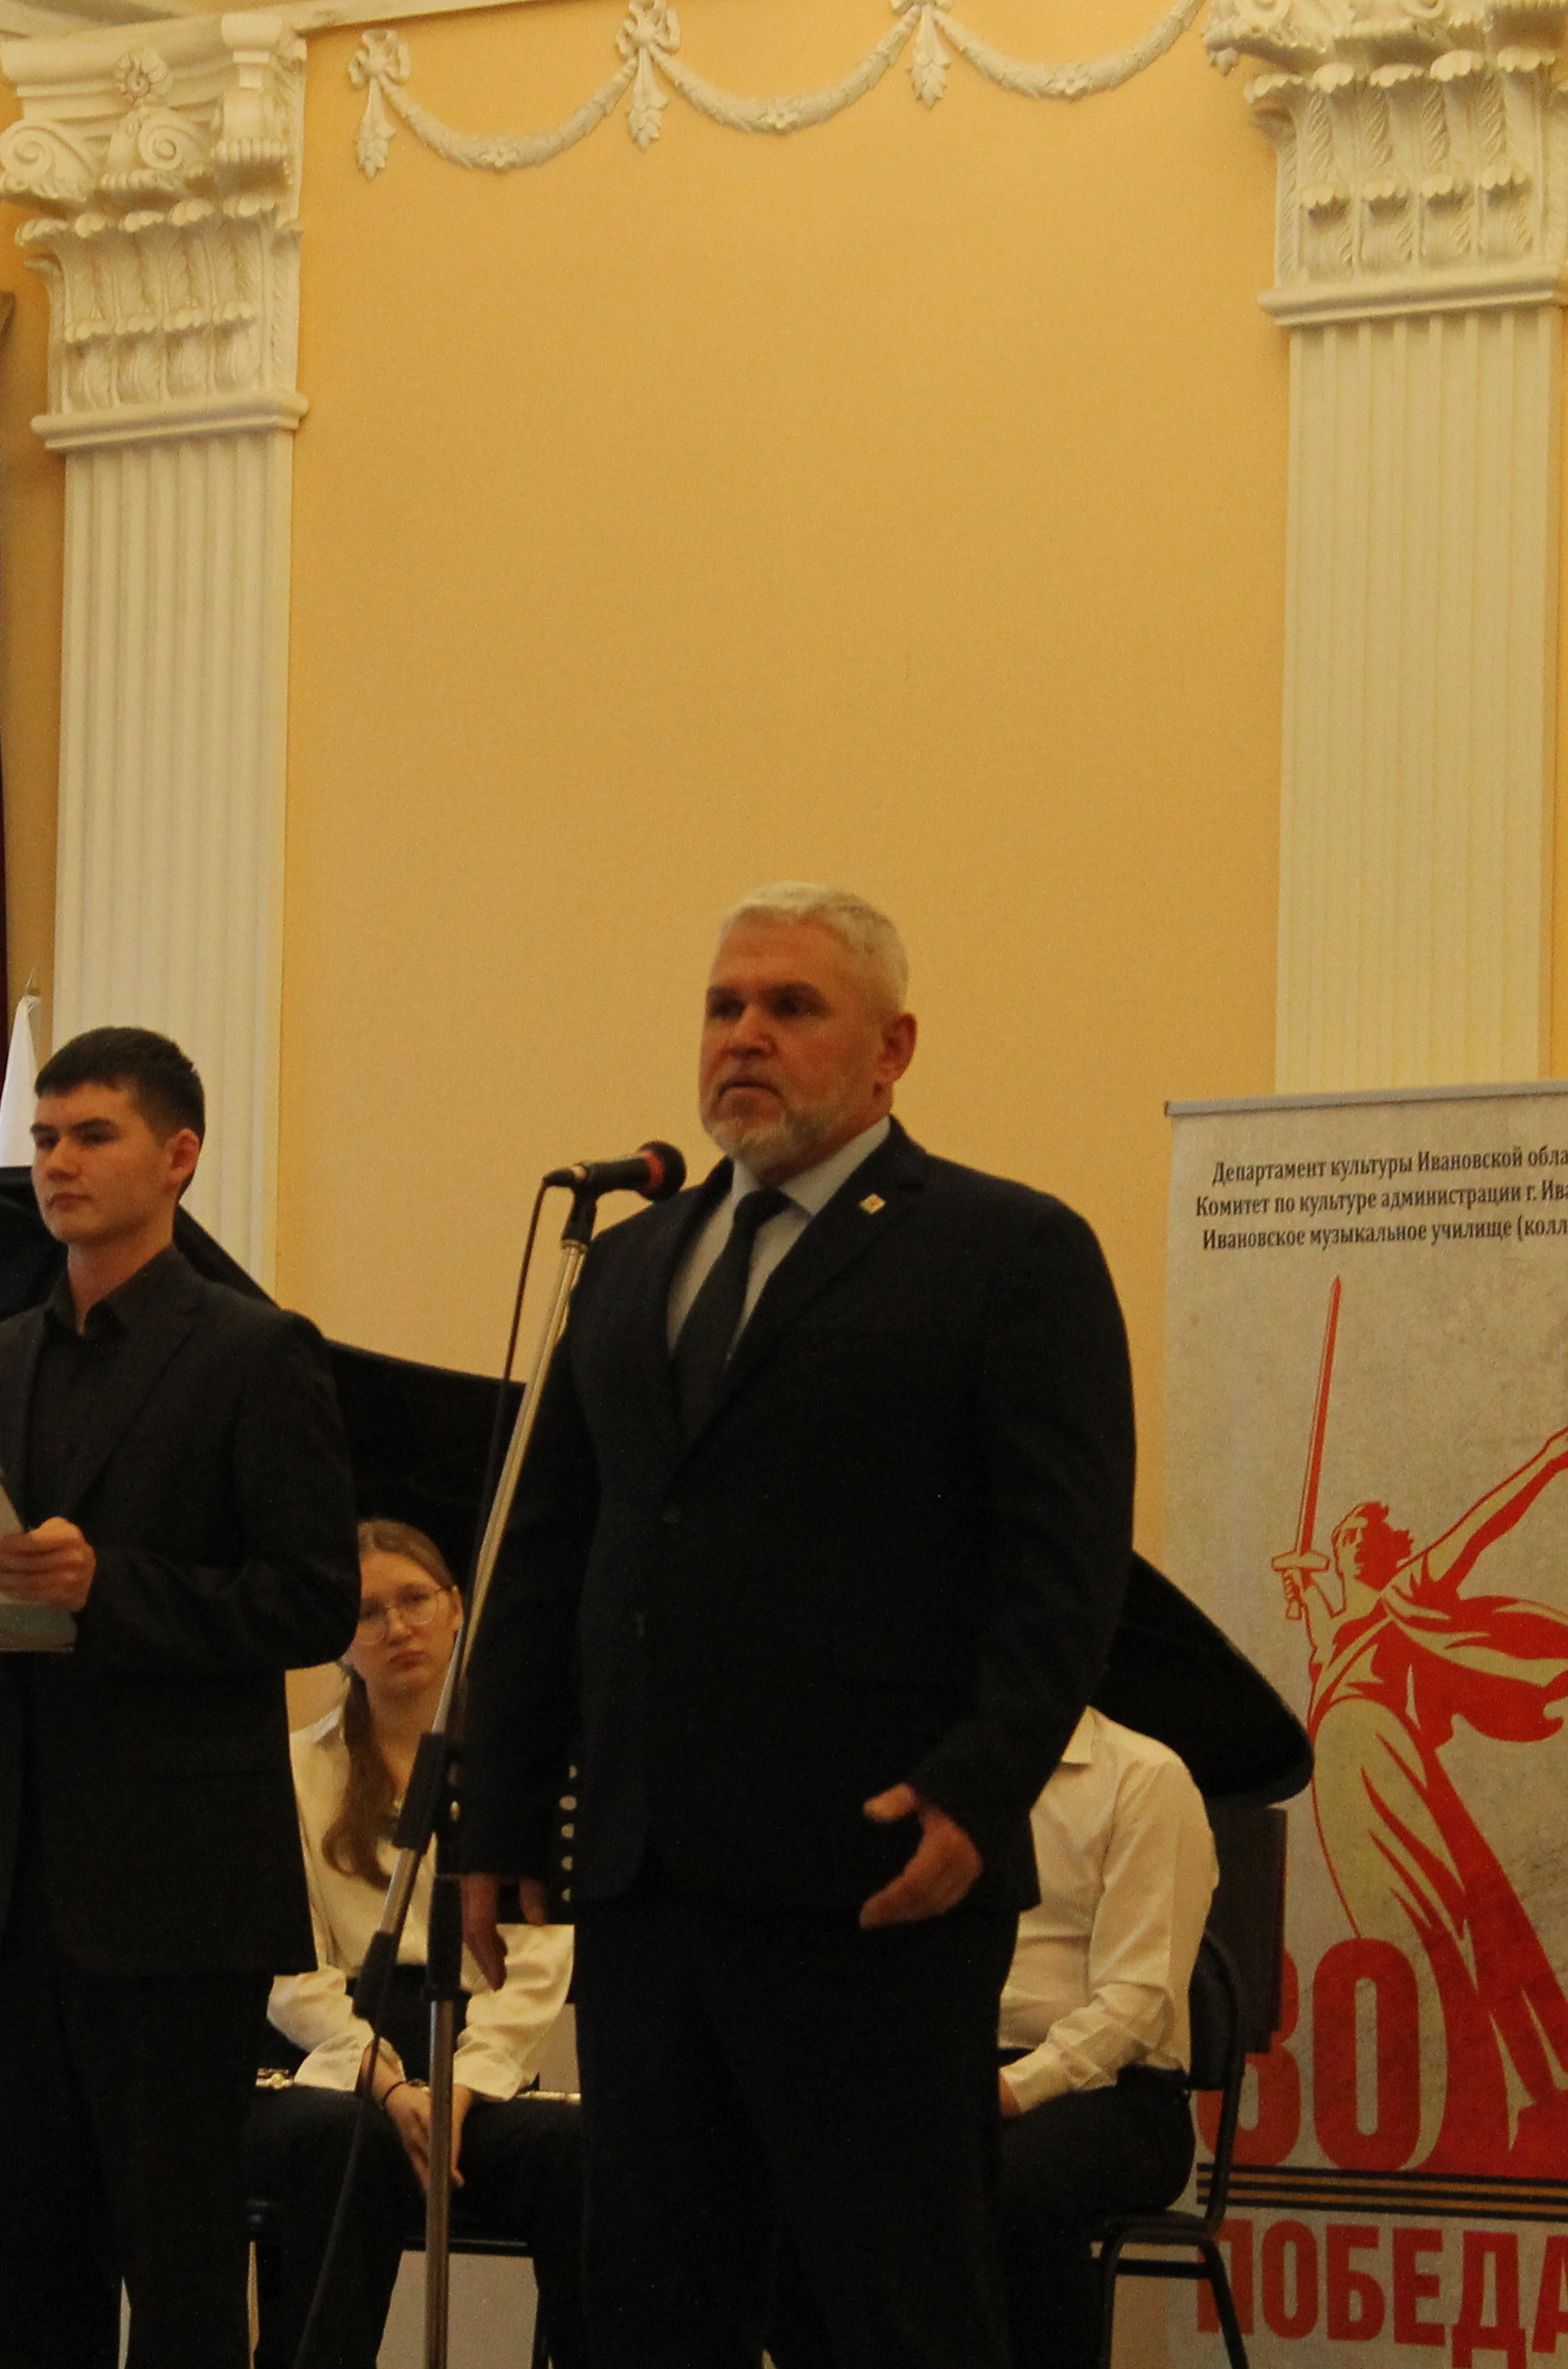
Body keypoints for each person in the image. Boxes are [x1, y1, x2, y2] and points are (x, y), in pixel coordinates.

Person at [456, 884, 1137, 2369]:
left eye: (790, 1006)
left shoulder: (1005, 1250)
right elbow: (548, 1552)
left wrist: (981, 1782)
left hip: (876, 1874)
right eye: (724, 1005)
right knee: (651, 2306)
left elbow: (1066, 1566)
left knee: (889, 2310)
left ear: (891, 1049)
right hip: (646, 1882)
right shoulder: (629, 1259)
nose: (744, 1034)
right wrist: (497, 1803)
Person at [0, 1025, 361, 2368]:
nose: (57, 1162)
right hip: (6, 1886)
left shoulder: (257, 1352)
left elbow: (311, 1602)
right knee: (14, 2272)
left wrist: (107, 1586)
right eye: (45, 1139)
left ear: (178, 1158)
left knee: (178, 2271)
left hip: (177, 1893)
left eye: (91, 1135)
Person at [250, 1520, 586, 2369]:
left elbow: (537, 1959)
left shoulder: (521, 1770)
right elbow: (289, 1965)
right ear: (339, 1638)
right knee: (345, 2145)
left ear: (457, 1608)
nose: (397, 1626)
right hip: (341, 2063)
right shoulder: (294, 1770)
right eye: (369, 1612)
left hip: (476, 2068)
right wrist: (391, 2083)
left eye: (415, 1600)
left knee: (578, 2154)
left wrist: (459, 2092)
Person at [1273, 1417, 1568, 2180]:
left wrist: (1546, 1461)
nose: (1354, 1537)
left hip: (1383, 1756)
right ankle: (1439, 2096)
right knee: (1386, 1927)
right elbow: (1322, 1626)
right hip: (1339, 1777)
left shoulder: (1408, 1589)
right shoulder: (1334, 1630)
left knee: (1444, 1917)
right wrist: (1300, 1582)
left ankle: (1495, 2094)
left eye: (1364, 1531)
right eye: (1347, 1532)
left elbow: (1480, 1526)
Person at [987, 1707, 1216, 2369]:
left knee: (1009, 2183)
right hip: (969, 2073)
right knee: (801, 2163)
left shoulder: (1145, 1776)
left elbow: (1137, 2004)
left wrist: (1011, 2088)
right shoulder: (936, 1776)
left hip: (1120, 2098)